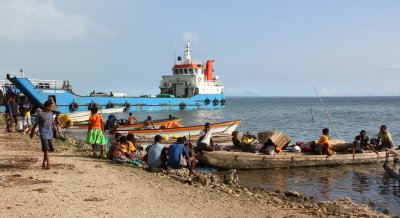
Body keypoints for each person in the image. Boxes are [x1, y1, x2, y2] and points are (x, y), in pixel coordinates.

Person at [30, 101, 55, 169]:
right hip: (43, 133)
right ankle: (48, 164)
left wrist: (56, 130)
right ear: (47, 107)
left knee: (46, 149)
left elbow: (52, 123)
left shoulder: (51, 113)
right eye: (51, 107)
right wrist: (32, 132)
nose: (52, 108)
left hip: (50, 133)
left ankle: (43, 162)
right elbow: (35, 124)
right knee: (46, 148)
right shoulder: (40, 114)